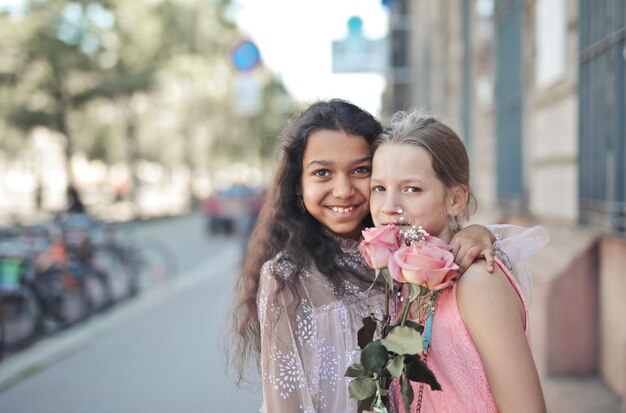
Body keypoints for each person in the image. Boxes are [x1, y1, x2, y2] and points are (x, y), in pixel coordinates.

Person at [229, 99, 500, 413]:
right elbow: (284, 400)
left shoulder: (400, 249)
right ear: (298, 186)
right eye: (322, 173)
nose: (343, 190)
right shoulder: (287, 276)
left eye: (360, 170)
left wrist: (477, 232)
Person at [368, 109, 546, 412]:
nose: (388, 206)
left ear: (455, 200)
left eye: (412, 189)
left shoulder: (477, 282)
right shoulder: (400, 276)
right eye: (379, 188)